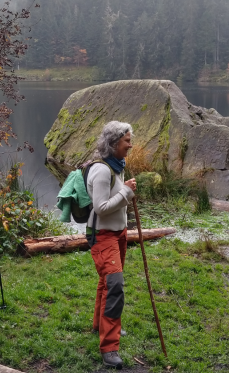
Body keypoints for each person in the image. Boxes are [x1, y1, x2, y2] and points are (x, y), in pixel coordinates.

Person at [86, 121, 137, 370]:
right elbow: (101, 208)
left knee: (107, 282)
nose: (130, 145)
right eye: (127, 141)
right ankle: (109, 348)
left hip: (118, 234)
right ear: (114, 143)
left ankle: (100, 325)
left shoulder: (118, 166)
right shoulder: (102, 171)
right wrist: (125, 192)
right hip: (103, 235)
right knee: (114, 286)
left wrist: (125, 192)